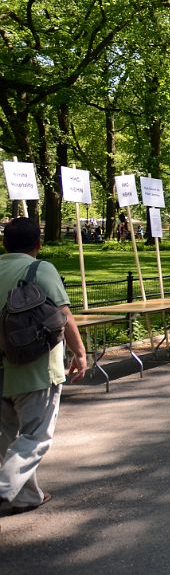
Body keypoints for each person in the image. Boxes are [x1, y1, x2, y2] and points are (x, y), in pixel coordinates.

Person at [0, 217, 88, 516]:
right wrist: (79, 352)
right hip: (36, 368)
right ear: (38, 244)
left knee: (6, 438)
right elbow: (63, 314)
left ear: (4, 244)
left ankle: (25, 497)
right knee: (36, 436)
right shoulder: (40, 269)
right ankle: (4, 487)